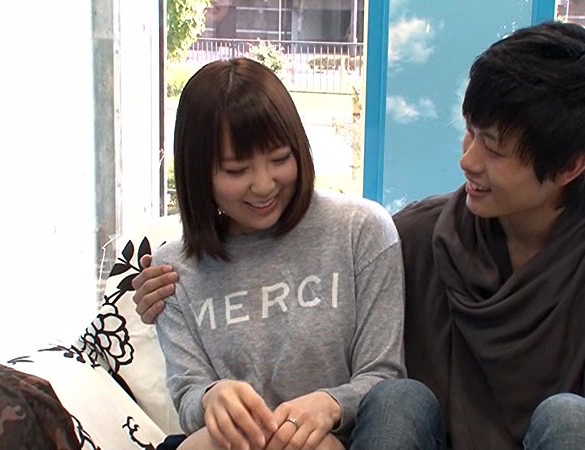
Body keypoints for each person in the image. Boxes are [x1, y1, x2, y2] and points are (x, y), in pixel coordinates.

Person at [135, 23, 585, 449]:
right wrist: (155, 288)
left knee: (572, 417)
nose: (467, 160)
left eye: (493, 149)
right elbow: (312, 268)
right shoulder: (418, 235)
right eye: (469, 132)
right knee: (401, 401)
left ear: (568, 167)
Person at [146, 57, 444, 450]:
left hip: (348, 442)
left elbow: (383, 374)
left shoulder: (361, 230)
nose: (264, 185)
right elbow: (188, 396)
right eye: (236, 170)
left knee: (405, 399)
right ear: (198, 172)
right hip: (238, 446)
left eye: (280, 159)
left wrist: (330, 405)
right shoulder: (173, 272)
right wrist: (211, 398)